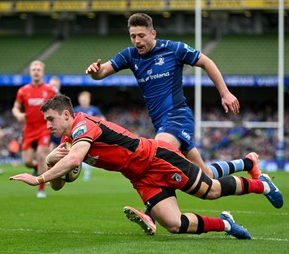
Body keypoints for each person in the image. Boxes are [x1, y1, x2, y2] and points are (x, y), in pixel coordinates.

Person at [9, 94, 284, 239]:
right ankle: (226, 225)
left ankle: (262, 184)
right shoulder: (68, 140)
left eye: (50, 119)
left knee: (210, 190)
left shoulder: (83, 125)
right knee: (174, 225)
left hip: (157, 159)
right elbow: (63, 182)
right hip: (140, 177)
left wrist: (38, 178)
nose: (48, 125)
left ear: (66, 115)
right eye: (45, 121)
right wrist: (48, 162)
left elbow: (75, 161)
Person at [86, 12, 261, 232]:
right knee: (205, 175)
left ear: (153, 33)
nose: (137, 41)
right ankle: (247, 163)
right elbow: (103, 72)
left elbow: (206, 61)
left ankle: (149, 213)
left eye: (141, 35)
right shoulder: (130, 55)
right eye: (133, 36)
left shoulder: (174, 49)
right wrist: (95, 72)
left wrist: (225, 93)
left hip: (178, 118)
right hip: (161, 124)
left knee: (156, 153)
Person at [12, 60, 56, 198]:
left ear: (42, 72)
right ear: (30, 72)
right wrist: (18, 114)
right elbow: (15, 107)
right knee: (27, 162)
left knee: (41, 155)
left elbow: (58, 106)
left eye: (38, 69)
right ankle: (37, 168)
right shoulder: (23, 91)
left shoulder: (50, 90)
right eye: (33, 69)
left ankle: (41, 188)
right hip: (29, 129)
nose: (36, 71)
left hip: (44, 128)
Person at [74, 91, 106, 182]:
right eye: (82, 99)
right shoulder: (76, 110)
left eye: (85, 99)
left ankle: (86, 171)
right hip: (79, 136)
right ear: (79, 100)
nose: (84, 101)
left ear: (89, 100)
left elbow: (102, 119)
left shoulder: (94, 110)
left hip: (92, 136)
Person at [49, 76, 63, 150]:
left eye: (55, 86)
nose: (53, 88)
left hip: (58, 127)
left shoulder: (62, 99)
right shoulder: (44, 96)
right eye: (52, 86)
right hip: (45, 127)